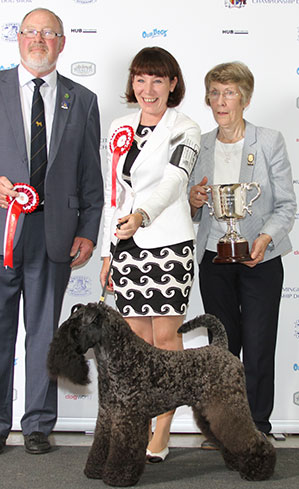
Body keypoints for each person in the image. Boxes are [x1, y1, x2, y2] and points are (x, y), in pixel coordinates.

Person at [0, 8, 103, 455]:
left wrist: (88, 229)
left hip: (56, 234)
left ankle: (38, 425)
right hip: (3, 231)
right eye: (31, 32)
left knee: (45, 333)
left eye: (49, 33)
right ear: (17, 38)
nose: (38, 39)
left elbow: (90, 175)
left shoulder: (83, 99)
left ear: (62, 43)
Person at [100, 46, 200, 462]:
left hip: (170, 245)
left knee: (165, 340)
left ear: (172, 84)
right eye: (140, 79)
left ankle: (163, 431)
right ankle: (137, 423)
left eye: (157, 79)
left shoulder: (186, 128)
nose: (148, 88)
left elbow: (175, 182)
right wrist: (108, 249)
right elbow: (113, 193)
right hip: (126, 247)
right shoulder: (119, 125)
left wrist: (142, 214)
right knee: (136, 342)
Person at [189, 61, 296, 448]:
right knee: (221, 347)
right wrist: (194, 200)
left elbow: (286, 204)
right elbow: (191, 209)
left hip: (260, 260)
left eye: (230, 92)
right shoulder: (198, 143)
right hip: (214, 260)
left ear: (245, 98)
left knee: (258, 342)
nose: (221, 100)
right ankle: (221, 428)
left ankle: (257, 427)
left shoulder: (268, 141)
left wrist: (264, 238)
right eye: (215, 92)